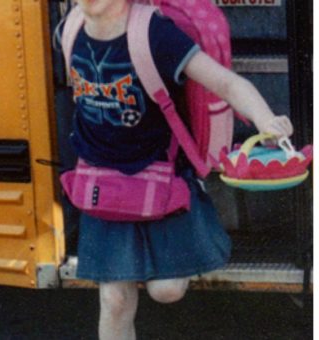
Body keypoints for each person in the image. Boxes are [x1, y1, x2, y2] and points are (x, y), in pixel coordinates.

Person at [58, 1, 293, 339]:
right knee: (114, 299)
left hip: (159, 175)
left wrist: (265, 119)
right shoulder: (69, 29)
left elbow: (227, 84)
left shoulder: (155, 34)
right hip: (103, 181)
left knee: (166, 290)